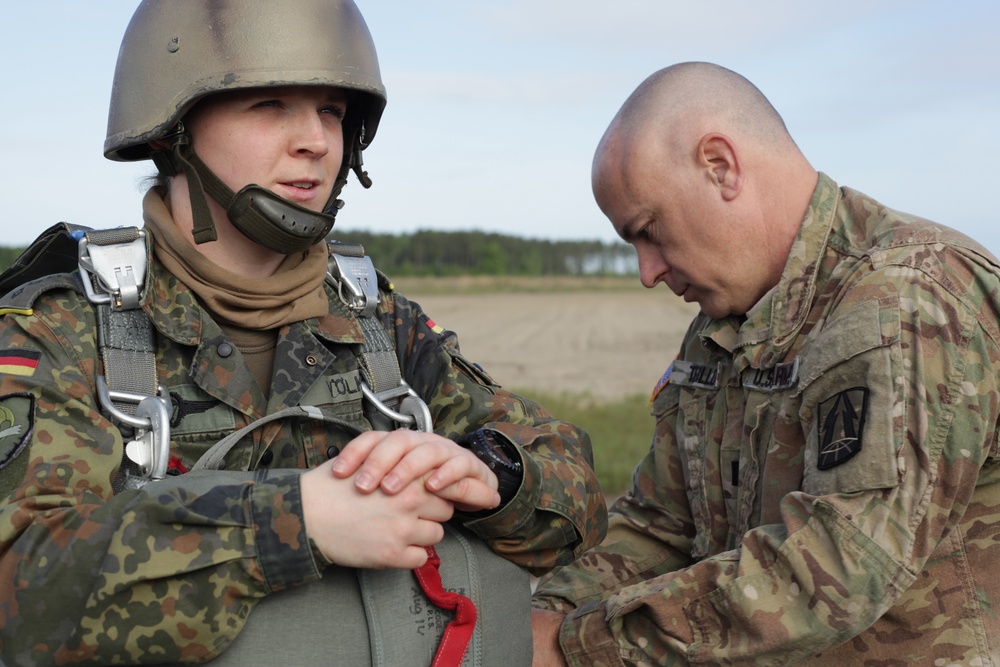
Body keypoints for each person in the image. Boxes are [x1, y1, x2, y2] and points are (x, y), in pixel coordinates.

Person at [0, 1, 607, 665]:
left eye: (332, 112)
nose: (315, 141)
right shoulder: (69, 329)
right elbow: (21, 589)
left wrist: (487, 473)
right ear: (170, 131)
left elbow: (573, 493)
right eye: (270, 104)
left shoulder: (379, 325)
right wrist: (293, 521)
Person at [531, 61, 1000, 665]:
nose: (648, 273)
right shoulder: (718, 333)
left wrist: (577, 649)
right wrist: (549, 617)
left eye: (649, 230)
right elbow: (660, 524)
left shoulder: (902, 298)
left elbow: (839, 566)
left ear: (720, 166)